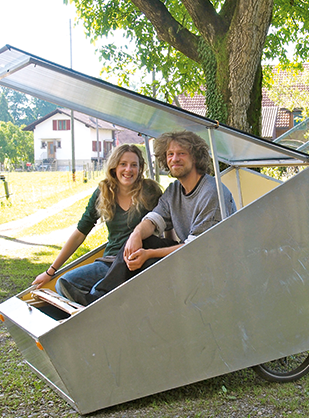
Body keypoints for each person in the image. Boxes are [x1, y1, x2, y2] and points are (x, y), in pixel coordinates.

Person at [72, 130, 236, 305]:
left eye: (181, 153)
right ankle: (99, 295)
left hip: (211, 265)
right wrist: (135, 235)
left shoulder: (211, 192)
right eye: (170, 154)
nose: (174, 159)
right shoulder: (174, 190)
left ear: (195, 157)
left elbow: (196, 247)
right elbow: (154, 219)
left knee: (148, 264)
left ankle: (105, 304)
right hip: (189, 255)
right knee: (141, 240)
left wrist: (148, 253)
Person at [31, 144, 162, 303]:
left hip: (139, 260)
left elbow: (166, 221)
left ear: (140, 168)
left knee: (96, 293)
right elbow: (80, 233)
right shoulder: (104, 191)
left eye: (134, 165)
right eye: (123, 164)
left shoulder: (149, 190)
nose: (128, 169)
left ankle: (97, 304)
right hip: (110, 261)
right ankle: (96, 306)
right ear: (114, 167)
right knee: (64, 283)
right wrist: (50, 271)